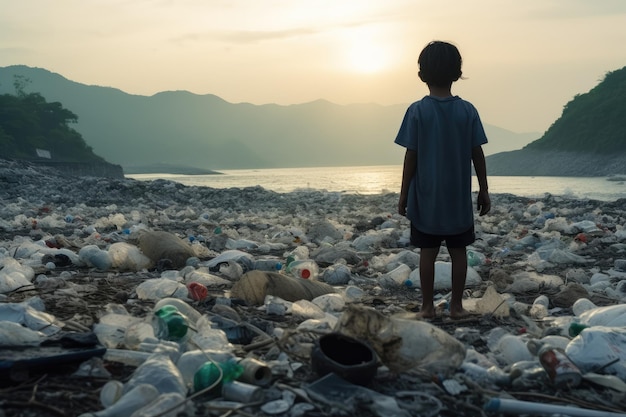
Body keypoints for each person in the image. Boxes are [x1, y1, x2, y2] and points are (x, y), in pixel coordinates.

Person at [395, 40, 491, 319]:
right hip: (458, 198)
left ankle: (427, 307)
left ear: (421, 74)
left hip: (426, 196)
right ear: (457, 72)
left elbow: (410, 157)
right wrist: (484, 190)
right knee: (458, 251)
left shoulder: (417, 111)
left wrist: (403, 195)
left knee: (428, 251)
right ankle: (457, 306)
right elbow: (478, 153)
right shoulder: (467, 111)